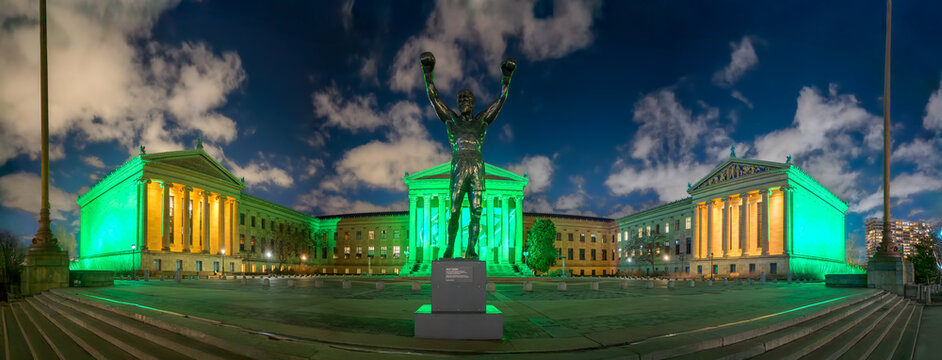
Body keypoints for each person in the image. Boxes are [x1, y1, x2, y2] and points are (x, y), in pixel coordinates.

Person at [421, 51, 516, 258]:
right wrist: (428, 73)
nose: (463, 100)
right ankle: (449, 247)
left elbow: (500, 100)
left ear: (473, 103)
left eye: (467, 98)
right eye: (460, 98)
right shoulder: (451, 120)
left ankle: (471, 248)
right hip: (458, 164)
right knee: (454, 210)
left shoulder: (482, 120)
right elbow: (433, 97)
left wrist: (506, 77)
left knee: (477, 211)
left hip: (477, 165)